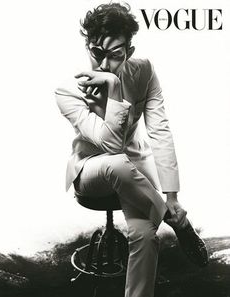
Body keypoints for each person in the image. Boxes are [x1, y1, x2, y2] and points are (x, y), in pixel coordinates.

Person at [55, 3, 208, 297]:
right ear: (87, 45)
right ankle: (178, 223)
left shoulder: (144, 71)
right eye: (96, 53)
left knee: (145, 235)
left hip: (135, 170)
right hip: (91, 170)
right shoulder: (68, 90)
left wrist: (173, 195)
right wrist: (112, 88)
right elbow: (110, 146)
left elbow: (160, 131)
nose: (104, 64)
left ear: (130, 51)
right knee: (115, 163)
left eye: (115, 56)